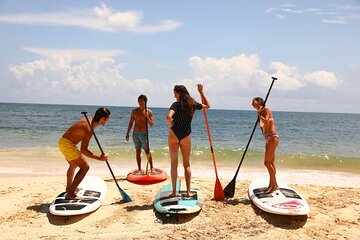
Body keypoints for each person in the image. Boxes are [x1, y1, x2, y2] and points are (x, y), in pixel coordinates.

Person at [166, 84, 210, 197]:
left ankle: (174, 192)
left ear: (179, 93)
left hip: (174, 135)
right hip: (186, 136)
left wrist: (171, 124)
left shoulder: (175, 105)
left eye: (174, 92)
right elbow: (207, 106)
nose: (173, 95)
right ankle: (188, 192)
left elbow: (168, 117)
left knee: (174, 164)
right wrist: (201, 92)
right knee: (187, 164)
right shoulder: (193, 104)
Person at [58, 107, 111, 200]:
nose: (108, 120)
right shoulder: (89, 129)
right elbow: (83, 150)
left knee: (73, 165)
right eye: (108, 118)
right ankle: (70, 194)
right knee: (85, 167)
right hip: (67, 145)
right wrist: (100, 158)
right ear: (103, 118)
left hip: (62, 142)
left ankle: (69, 188)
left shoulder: (89, 119)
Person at [252, 97, 279, 193]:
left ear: (259, 102)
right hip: (268, 139)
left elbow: (267, 121)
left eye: (253, 101)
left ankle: (274, 185)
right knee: (271, 163)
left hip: (272, 137)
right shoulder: (261, 112)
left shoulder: (266, 110)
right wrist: (259, 115)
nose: (252, 103)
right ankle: (272, 185)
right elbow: (264, 125)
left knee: (267, 163)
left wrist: (259, 115)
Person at [125, 95, 154, 172]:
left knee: (147, 151)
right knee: (138, 151)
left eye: (142, 101)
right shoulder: (134, 111)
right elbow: (131, 122)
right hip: (135, 133)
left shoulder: (149, 112)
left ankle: (151, 168)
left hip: (144, 133)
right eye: (139, 101)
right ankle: (139, 169)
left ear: (145, 102)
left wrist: (147, 117)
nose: (140, 102)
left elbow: (151, 124)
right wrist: (127, 133)